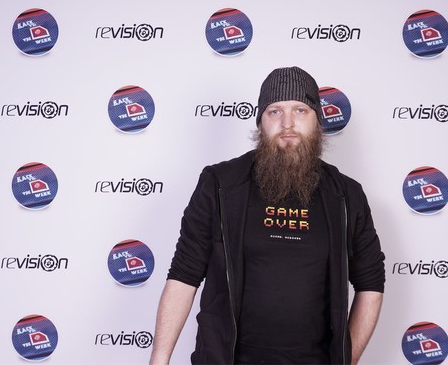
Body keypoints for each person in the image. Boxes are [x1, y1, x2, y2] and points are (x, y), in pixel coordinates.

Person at [150, 67, 385, 365]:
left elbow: (371, 283)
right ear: (261, 121)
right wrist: (159, 359)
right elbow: (184, 275)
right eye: (275, 111)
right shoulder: (220, 185)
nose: (288, 123)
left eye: (300, 110)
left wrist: (345, 361)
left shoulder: (346, 195)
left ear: (317, 120)